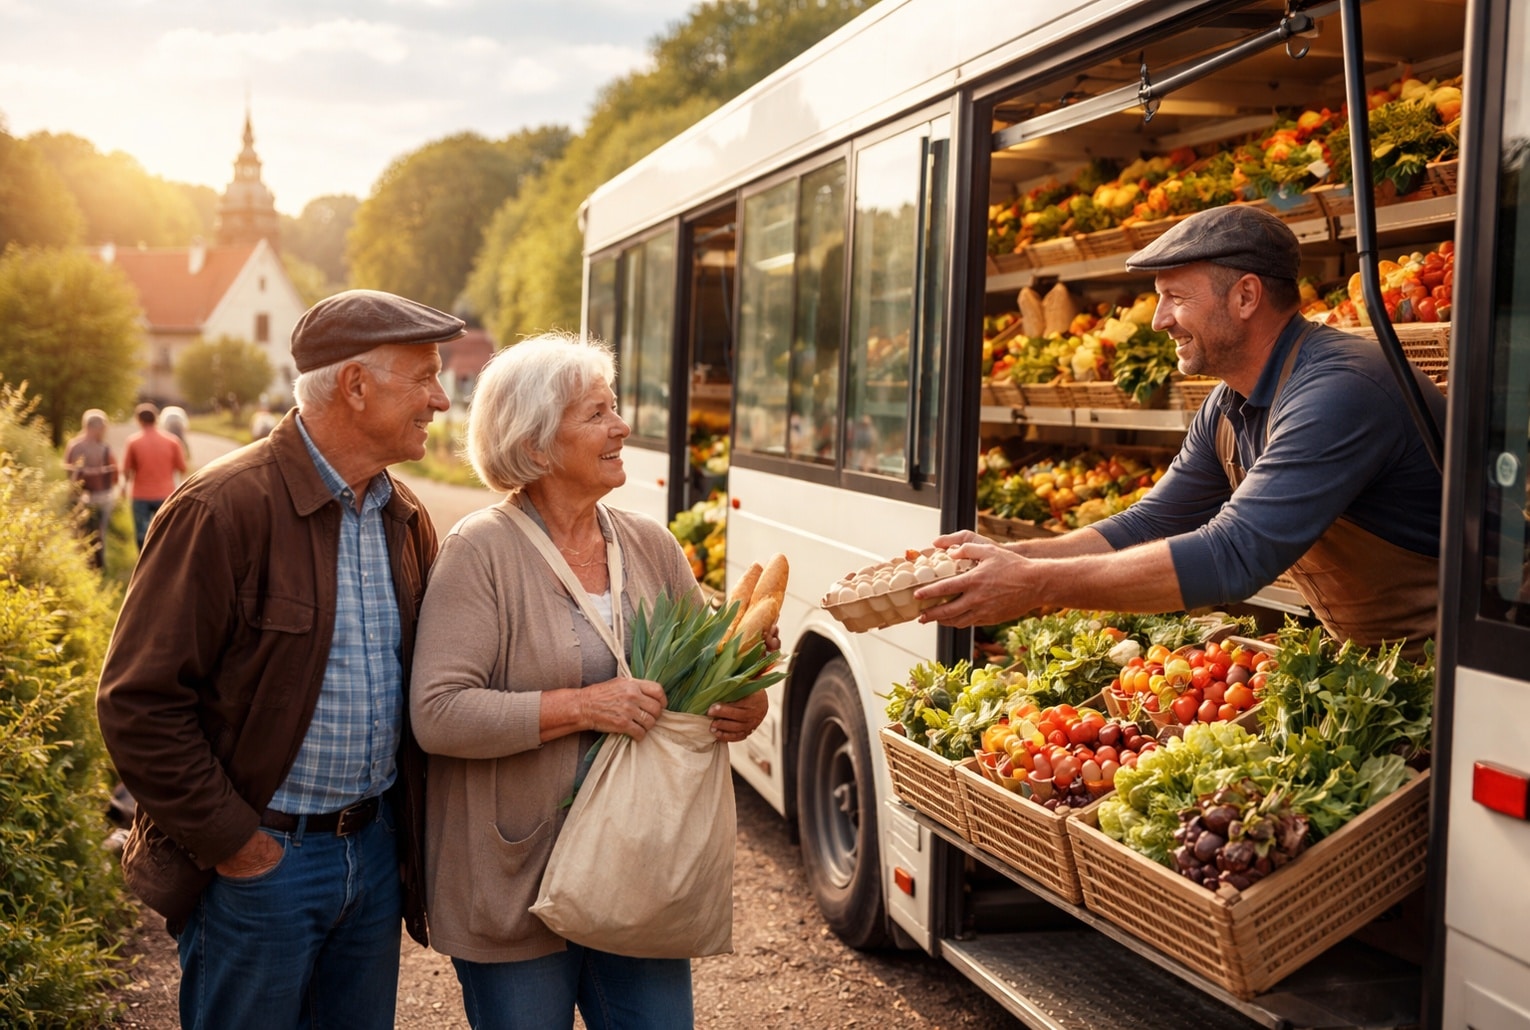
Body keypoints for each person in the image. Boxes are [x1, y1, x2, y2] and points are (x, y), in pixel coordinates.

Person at [95, 289, 464, 1030]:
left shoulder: (405, 515)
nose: (441, 400)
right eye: (423, 376)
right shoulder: (220, 508)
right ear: (355, 386)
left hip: (371, 854)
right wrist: (237, 845)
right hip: (263, 865)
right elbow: (137, 702)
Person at [409, 332, 770, 1030]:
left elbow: (703, 679)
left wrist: (743, 701)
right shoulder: (480, 551)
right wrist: (583, 706)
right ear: (537, 444)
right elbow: (438, 712)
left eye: (615, 408)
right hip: (518, 878)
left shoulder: (650, 544)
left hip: (637, 870)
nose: (622, 426)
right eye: (596, 414)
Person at [919, 204, 1444, 658]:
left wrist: (1033, 585)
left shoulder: (1338, 391)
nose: (1158, 320)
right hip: (1383, 661)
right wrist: (1006, 559)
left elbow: (1233, 555)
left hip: (1463, 666)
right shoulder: (1228, 404)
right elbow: (1148, 524)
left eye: (1176, 296)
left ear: (1245, 297)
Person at [119, 402, 187, 551]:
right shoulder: (172, 441)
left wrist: (123, 488)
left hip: (141, 495)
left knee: (142, 534)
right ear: (156, 419)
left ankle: (144, 566)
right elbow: (182, 468)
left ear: (138, 420)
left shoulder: (134, 442)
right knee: (164, 533)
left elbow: (126, 470)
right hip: (166, 494)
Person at [64, 408, 118, 569]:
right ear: (98, 428)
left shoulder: (73, 446)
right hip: (101, 496)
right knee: (100, 531)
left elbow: (68, 471)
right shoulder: (104, 448)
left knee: (81, 531)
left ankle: (83, 564)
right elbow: (114, 472)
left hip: (78, 496)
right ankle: (99, 565)